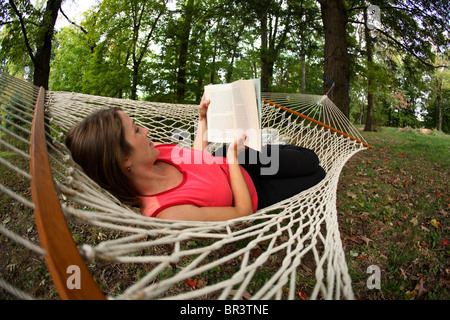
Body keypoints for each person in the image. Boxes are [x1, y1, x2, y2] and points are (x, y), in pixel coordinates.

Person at [65, 93, 325, 221]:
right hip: (253, 191)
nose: (145, 130)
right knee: (319, 176)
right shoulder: (167, 212)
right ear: (124, 160)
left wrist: (202, 119)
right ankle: (269, 145)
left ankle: (270, 143)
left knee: (310, 159)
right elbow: (241, 211)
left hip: (234, 161)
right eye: (135, 130)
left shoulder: (158, 153)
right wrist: (233, 158)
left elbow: (198, 159)